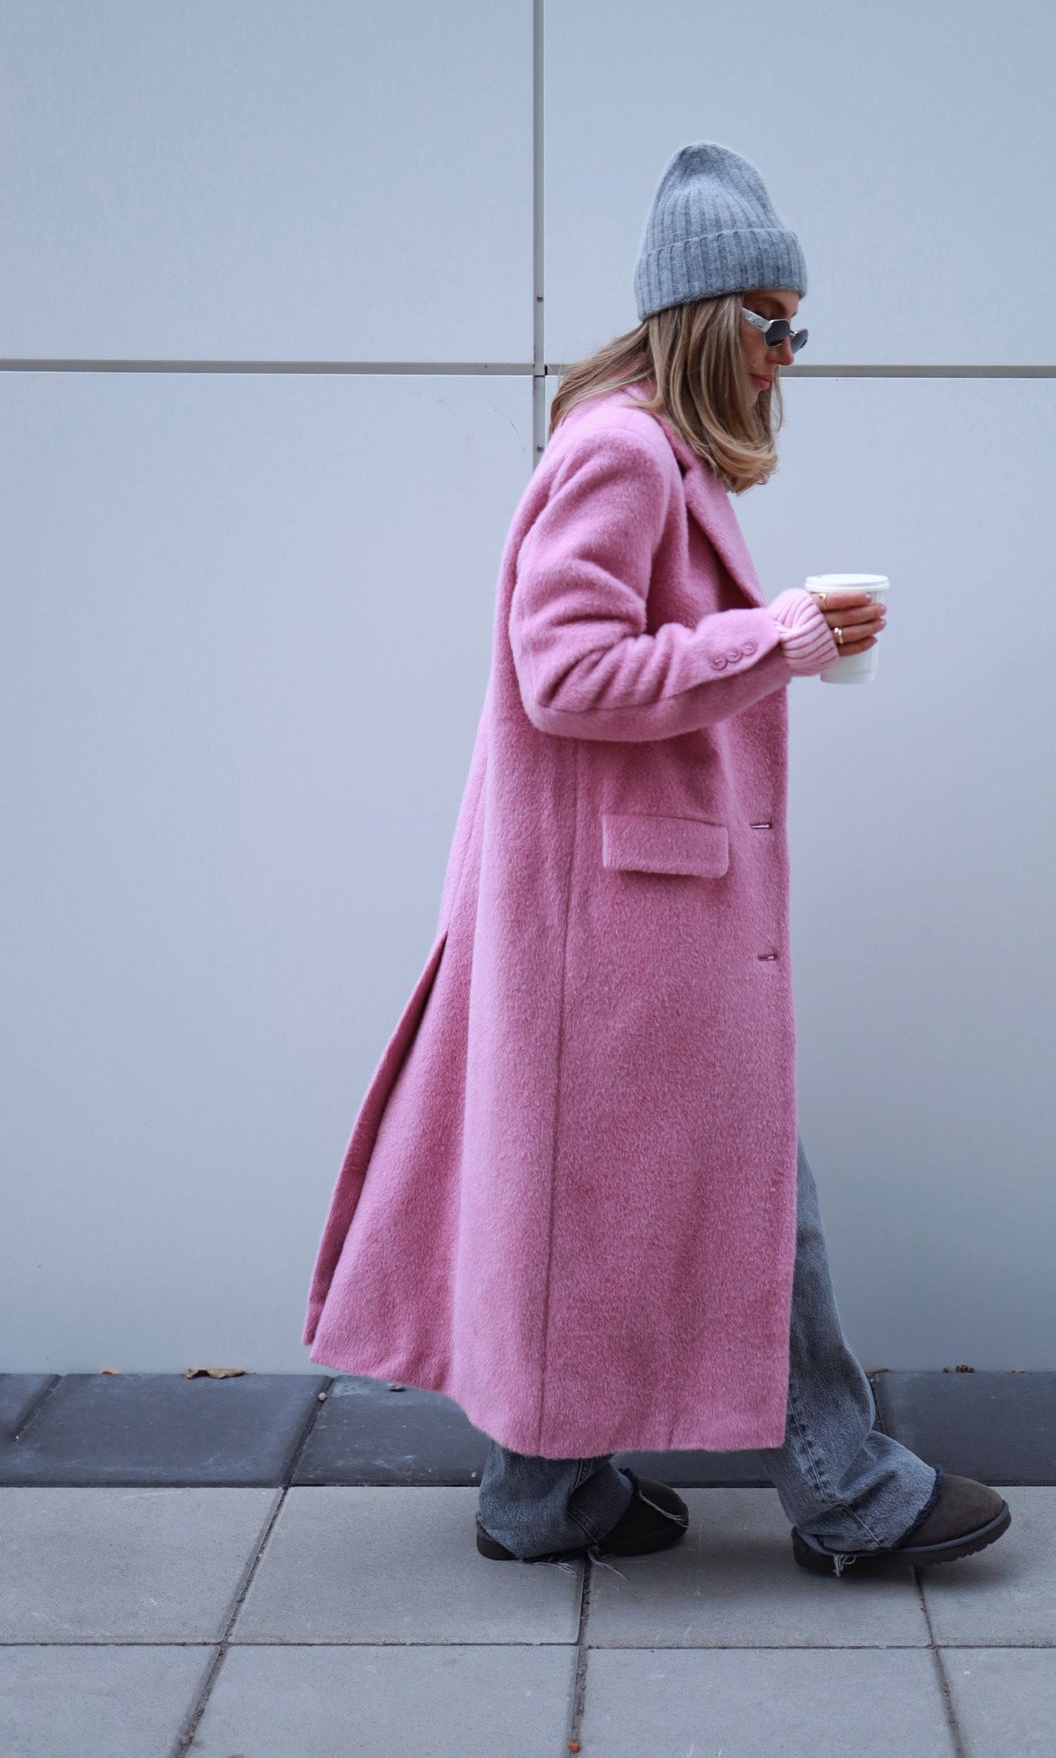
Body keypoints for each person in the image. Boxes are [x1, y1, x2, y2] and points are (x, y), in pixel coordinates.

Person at [302, 140, 1011, 1579]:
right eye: (771, 325)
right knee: (756, 1197)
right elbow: (563, 674)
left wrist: (778, 642)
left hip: (621, 916)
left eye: (796, 328)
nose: (785, 357)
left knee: (591, 1205)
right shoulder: (620, 451)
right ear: (705, 319)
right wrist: (783, 637)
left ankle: (546, 1500)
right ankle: (852, 1492)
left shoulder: (656, 453)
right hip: (615, 925)